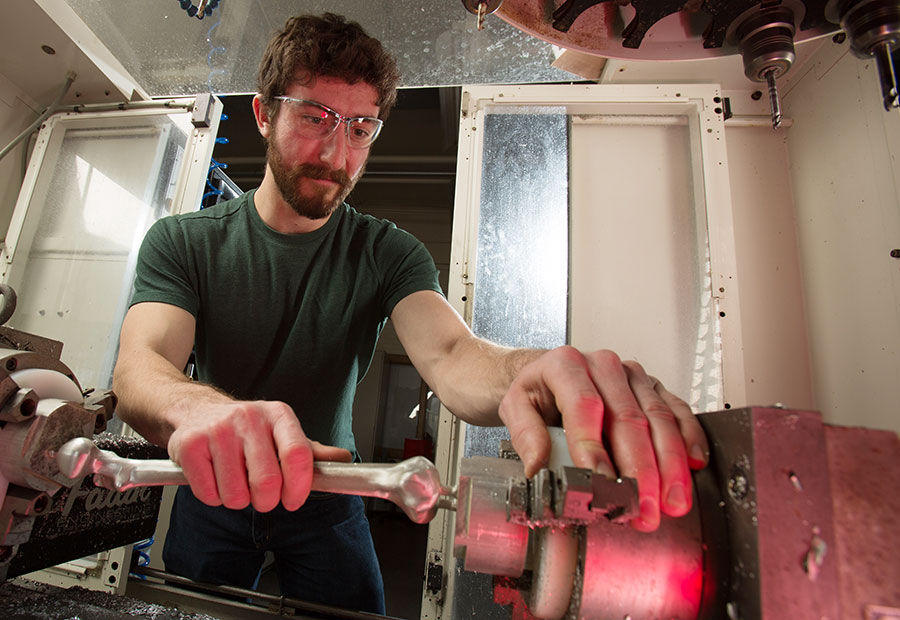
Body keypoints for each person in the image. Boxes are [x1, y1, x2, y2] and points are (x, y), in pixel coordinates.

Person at [113, 12, 710, 615]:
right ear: (265, 114)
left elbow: (451, 354)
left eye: (360, 128)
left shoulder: (387, 251)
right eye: (315, 118)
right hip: (214, 484)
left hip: (333, 489)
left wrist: (528, 369)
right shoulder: (184, 241)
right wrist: (209, 413)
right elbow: (142, 364)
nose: (335, 152)